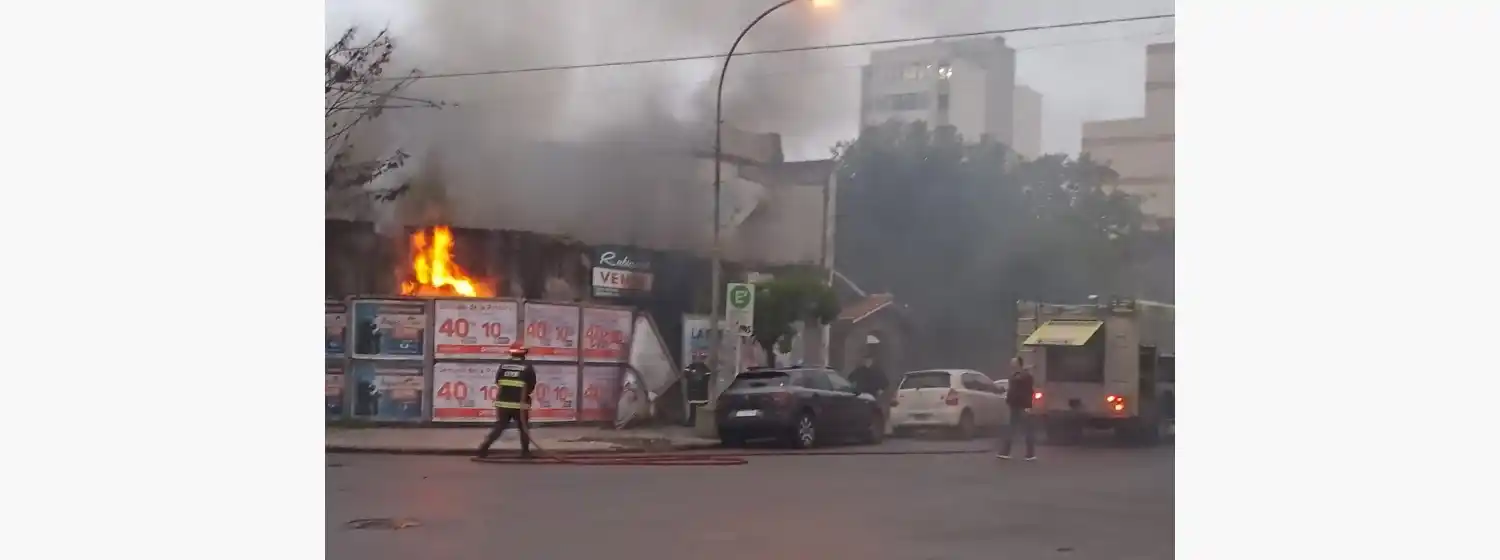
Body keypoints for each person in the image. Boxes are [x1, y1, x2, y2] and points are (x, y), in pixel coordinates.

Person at [476, 343, 538, 459]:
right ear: (524, 353)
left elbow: (498, 381)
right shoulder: (527, 367)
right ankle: (525, 452)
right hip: (520, 404)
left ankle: (483, 449)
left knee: (499, 426)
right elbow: (531, 385)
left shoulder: (503, 366)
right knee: (523, 427)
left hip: (503, 403)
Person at [997, 356, 1037, 461]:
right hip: (1014, 405)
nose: (1011, 364)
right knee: (1011, 429)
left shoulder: (1025, 376)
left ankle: (1030, 454)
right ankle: (1005, 452)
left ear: (1018, 364)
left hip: (1023, 406)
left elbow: (1028, 390)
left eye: (1013, 362)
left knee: (1027, 430)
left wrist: (1029, 406)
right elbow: (1013, 389)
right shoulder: (1016, 375)